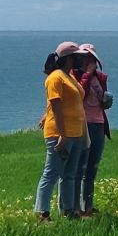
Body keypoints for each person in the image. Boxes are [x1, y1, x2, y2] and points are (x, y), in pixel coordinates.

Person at [37, 42, 88, 221]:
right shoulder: (55, 77)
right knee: (51, 173)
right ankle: (42, 213)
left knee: (69, 174)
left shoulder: (69, 76)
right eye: (77, 57)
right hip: (60, 134)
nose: (80, 60)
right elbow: (56, 107)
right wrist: (62, 135)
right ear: (68, 58)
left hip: (75, 132)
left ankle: (68, 210)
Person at [75, 43, 111, 216]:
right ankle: (77, 206)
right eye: (85, 57)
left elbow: (103, 97)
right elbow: (79, 94)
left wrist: (106, 102)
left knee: (92, 167)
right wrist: (87, 75)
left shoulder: (101, 77)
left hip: (99, 122)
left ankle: (88, 205)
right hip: (84, 123)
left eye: (90, 58)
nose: (88, 61)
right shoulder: (75, 75)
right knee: (80, 166)